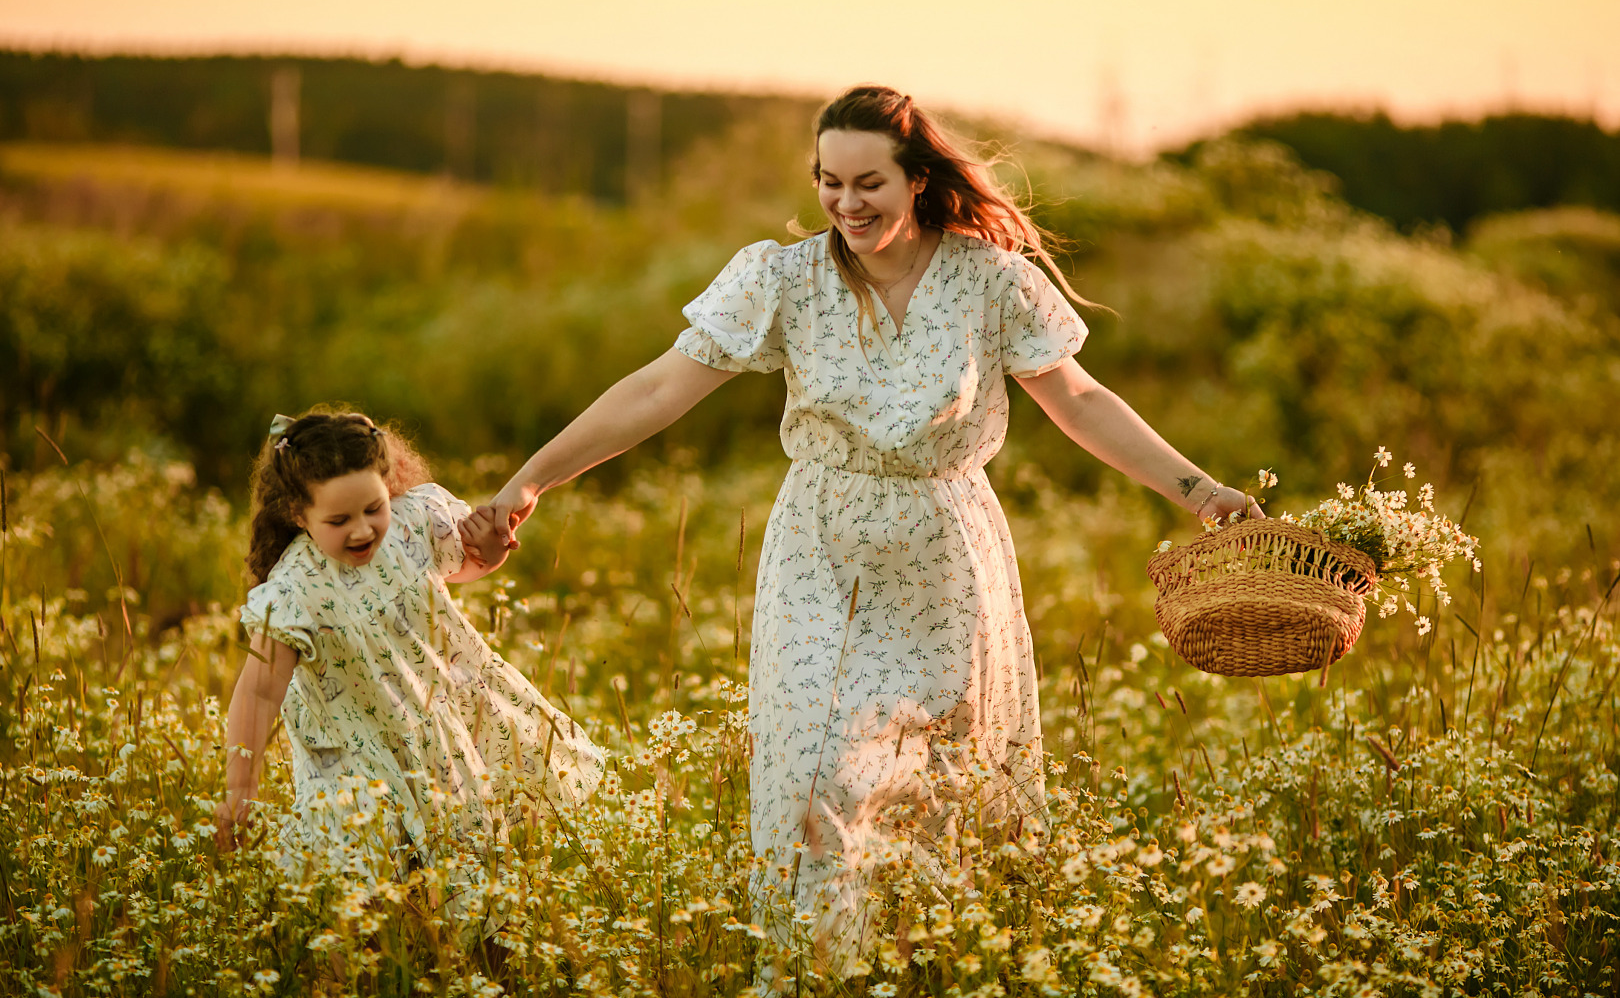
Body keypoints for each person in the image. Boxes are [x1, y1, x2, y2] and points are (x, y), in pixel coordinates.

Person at [482, 85, 1258, 972]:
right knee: (819, 772)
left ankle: (932, 967)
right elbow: (657, 390)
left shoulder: (991, 281)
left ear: (917, 180)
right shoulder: (782, 279)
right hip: (821, 543)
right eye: (828, 182)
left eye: (868, 184)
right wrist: (530, 479)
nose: (846, 204)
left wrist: (1199, 491)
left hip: (945, 549)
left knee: (945, 787)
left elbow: (1079, 401)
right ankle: (818, 972)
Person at [215, 409, 602, 925]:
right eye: (338, 521)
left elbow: (467, 565)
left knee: (478, 890)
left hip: (440, 732)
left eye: (373, 508)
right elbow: (259, 694)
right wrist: (240, 790)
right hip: (356, 760)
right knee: (365, 903)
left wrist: (489, 548)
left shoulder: (413, 521)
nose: (362, 530)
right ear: (297, 513)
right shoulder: (292, 593)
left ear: (388, 482)